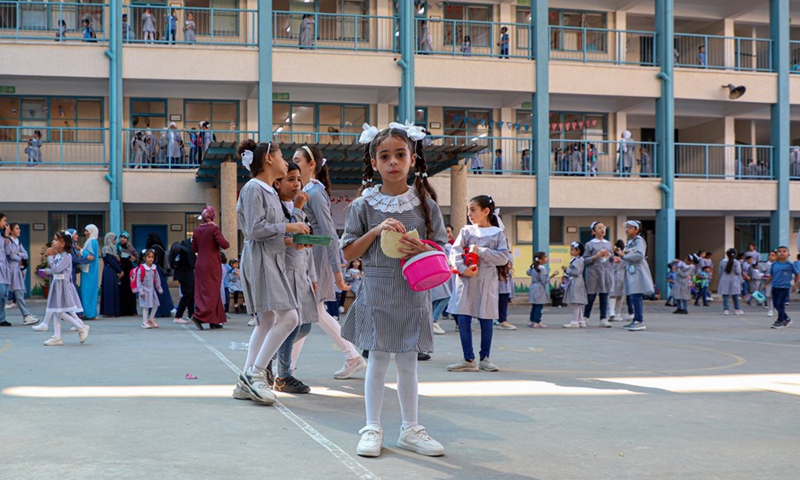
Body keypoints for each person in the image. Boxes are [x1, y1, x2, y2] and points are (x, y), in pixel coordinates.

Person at [340, 123, 447, 458]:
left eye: (400, 155)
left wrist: (423, 249)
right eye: (384, 156)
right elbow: (347, 253)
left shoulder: (426, 204)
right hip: (376, 292)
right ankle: (372, 426)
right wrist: (376, 231)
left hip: (413, 294)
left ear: (412, 159)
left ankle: (410, 429)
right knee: (377, 360)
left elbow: (442, 249)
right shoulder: (363, 206)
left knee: (408, 363)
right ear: (374, 163)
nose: (393, 162)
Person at [232, 139, 310, 406]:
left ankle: (245, 377)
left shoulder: (265, 190)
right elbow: (254, 230)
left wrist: (290, 237)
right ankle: (256, 374)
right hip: (262, 260)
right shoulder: (255, 188)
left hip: (269, 257)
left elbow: (266, 230)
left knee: (267, 321)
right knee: (289, 318)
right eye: (281, 156)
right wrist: (289, 229)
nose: (285, 162)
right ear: (268, 158)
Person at [292, 145, 366, 379]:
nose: (293, 163)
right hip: (310, 256)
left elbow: (328, 232)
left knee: (309, 312)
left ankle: (287, 369)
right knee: (311, 312)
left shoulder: (314, 192)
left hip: (316, 258)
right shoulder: (305, 191)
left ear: (311, 164)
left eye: (297, 160)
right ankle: (350, 356)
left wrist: (336, 270)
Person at [447, 195, 511, 373]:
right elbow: (455, 252)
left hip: (486, 282)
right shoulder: (466, 231)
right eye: (468, 210)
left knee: (486, 318)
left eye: (473, 210)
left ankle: (485, 358)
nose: (469, 214)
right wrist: (462, 268)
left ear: (486, 211)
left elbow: (503, 258)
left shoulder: (498, 234)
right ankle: (468, 358)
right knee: (463, 317)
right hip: (466, 280)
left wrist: (480, 251)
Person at [272, 162, 317, 394]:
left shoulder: (295, 207)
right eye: (291, 179)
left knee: (305, 325)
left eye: (298, 179)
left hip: (301, 273)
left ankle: (267, 357)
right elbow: (286, 235)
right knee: (291, 325)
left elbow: (302, 243)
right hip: (286, 272)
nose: (296, 184)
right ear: (277, 183)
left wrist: (313, 276)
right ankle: (283, 375)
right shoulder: (278, 207)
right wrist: (298, 208)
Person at [41, 231, 90, 346]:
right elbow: (54, 270)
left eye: (56, 240)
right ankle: (57, 336)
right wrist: (47, 271)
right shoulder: (58, 256)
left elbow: (57, 269)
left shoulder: (67, 256)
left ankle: (80, 327)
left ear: (62, 243)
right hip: (57, 285)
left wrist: (49, 258)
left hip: (63, 286)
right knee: (56, 312)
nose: (53, 242)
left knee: (60, 311)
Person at [190, 207, 230, 329]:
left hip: (200, 263)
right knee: (213, 291)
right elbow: (225, 245)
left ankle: (214, 320)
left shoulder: (197, 230)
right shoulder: (214, 228)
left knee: (204, 291)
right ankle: (199, 316)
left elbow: (194, 249)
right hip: (212, 264)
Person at [616, 220, 654, 330]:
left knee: (636, 295)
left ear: (637, 229)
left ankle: (639, 321)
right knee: (633, 295)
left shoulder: (639, 240)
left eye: (630, 227)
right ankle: (636, 319)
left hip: (637, 271)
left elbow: (640, 255)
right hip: (632, 271)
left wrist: (624, 256)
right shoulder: (630, 241)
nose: (627, 229)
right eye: (626, 227)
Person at [5, 222, 38, 325]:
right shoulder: (8, 241)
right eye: (17, 228)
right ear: (11, 230)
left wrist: (18, 254)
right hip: (9, 270)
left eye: (19, 228)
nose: (19, 230)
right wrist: (19, 256)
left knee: (18, 293)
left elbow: (25, 255)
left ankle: (26, 315)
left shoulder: (18, 242)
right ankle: (26, 315)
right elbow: (10, 255)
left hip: (16, 270)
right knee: (5, 293)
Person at [583, 221, 614, 328]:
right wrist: (596, 256)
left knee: (604, 295)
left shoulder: (608, 244)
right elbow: (585, 260)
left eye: (604, 227)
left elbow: (611, 258)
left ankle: (603, 318)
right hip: (593, 273)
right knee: (591, 296)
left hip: (605, 272)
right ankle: (585, 317)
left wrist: (612, 257)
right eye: (599, 227)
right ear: (594, 231)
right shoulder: (590, 244)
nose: (602, 229)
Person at [764, 246, 798, 329]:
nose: (782, 253)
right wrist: (765, 284)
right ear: (777, 254)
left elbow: (797, 274)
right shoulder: (774, 264)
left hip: (784, 287)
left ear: (788, 254)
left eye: (784, 251)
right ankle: (786, 318)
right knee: (775, 304)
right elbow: (771, 275)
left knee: (780, 304)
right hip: (775, 286)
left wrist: (796, 284)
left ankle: (780, 320)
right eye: (779, 251)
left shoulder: (790, 265)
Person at [145, 233, 175, 318]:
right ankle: (165, 310)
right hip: (160, 272)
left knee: (155, 292)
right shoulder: (160, 247)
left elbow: (154, 261)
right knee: (162, 292)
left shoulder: (154, 248)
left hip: (155, 271)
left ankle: (157, 312)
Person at [132, 249, 164, 329]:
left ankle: (151, 319)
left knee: (156, 304)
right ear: (144, 258)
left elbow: (157, 279)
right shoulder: (142, 268)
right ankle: (144, 322)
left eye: (152, 257)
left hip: (152, 290)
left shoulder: (154, 268)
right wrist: (141, 291)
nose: (151, 259)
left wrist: (159, 288)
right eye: (149, 257)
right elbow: (138, 281)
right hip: (144, 290)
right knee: (145, 307)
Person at [562, 242, 589, 328]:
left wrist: (567, 270)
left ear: (578, 251)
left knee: (575, 302)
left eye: (572, 250)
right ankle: (581, 320)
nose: (571, 251)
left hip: (576, 282)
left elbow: (576, 272)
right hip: (576, 281)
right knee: (578, 302)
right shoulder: (577, 260)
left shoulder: (578, 260)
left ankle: (575, 321)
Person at [171, 237, 195, 323]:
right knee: (188, 294)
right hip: (185, 274)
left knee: (191, 294)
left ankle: (191, 315)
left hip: (183, 274)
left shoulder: (184, 246)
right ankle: (178, 316)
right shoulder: (188, 249)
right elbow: (191, 263)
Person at [79, 224, 100, 320]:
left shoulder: (92, 242)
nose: (85, 233)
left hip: (89, 270)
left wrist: (80, 250)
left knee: (87, 291)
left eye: (87, 231)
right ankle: (87, 312)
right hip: (87, 270)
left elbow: (91, 256)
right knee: (86, 291)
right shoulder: (90, 241)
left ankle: (89, 313)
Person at [527, 252, 553, 328]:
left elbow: (528, 273)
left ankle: (532, 320)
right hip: (539, 288)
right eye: (545, 257)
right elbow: (544, 280)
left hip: (533, 286)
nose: (546, 258)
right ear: (540, 260)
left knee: (534, 305)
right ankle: (537, 321)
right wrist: (552, 276)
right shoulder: (542, 268)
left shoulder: (533, 267)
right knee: (539, 305)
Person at [100, 232, 122, 317]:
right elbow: (111, 261)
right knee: (109, 290)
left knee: (113, 290)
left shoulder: (112, 249)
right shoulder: (107, 249)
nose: (115, 241)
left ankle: (112, 310)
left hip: (112, 272)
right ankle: (109, 310)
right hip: (109, 272)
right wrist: (119, 270)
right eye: (114, 239)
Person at [116, 231, 138, 316]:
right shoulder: (117, 247)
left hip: (128, 269)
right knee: (122, 289)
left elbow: (137, 257)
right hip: (121, 268)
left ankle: (130, 310)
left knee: (129, 289)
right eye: (121, 237)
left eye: (124, 238)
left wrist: (133, 258)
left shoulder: (130, 247)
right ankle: (122, 310)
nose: (122, 239)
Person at [718, 248, 744, 316]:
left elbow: (720, 272)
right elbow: (738, 271)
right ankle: (737, 309)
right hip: (734, 279)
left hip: (724, 279)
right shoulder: (737, 262)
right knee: (735, 295)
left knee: (725, 295)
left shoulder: (722, 261)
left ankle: (726, 309)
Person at [496, 255, 516, 330]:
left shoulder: (507, 254)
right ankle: (501, 320)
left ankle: (501, 319)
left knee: (503, 301)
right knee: (501, 301)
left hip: (504, 283)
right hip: (499, 282)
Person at [0, 214, 11, 327]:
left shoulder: (3, 237)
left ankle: (2, 318)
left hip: (4, 270)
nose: (5, 224)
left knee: (4, 295)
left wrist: (7, 236)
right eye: (4, 221)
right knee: (1, 291)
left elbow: (8, 252)